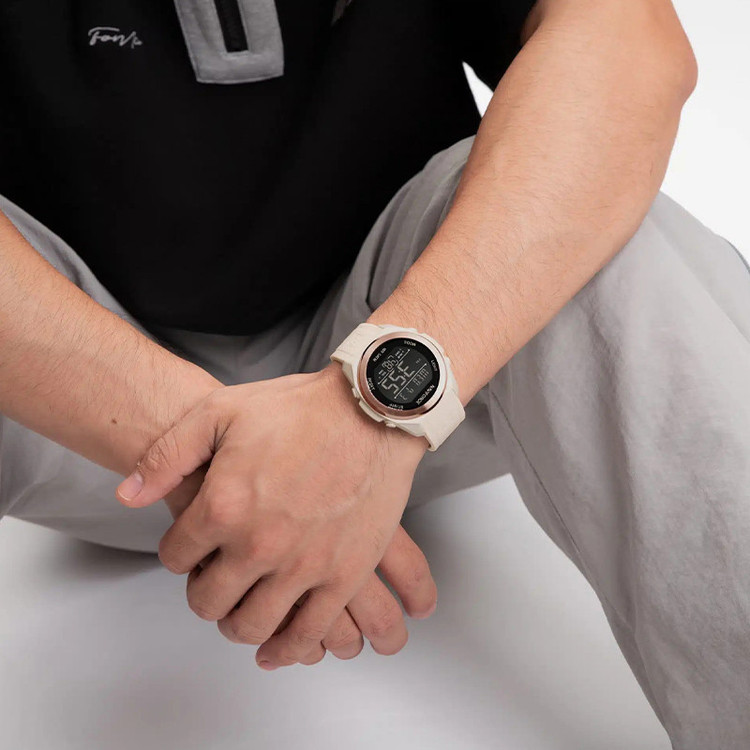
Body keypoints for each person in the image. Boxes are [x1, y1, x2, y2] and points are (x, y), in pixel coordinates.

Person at [0, 0, 747, 746]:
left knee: (602, 217)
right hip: (65, 407)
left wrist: (368, 409)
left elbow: (624, 37)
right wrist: (228, 453)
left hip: (426, 349)